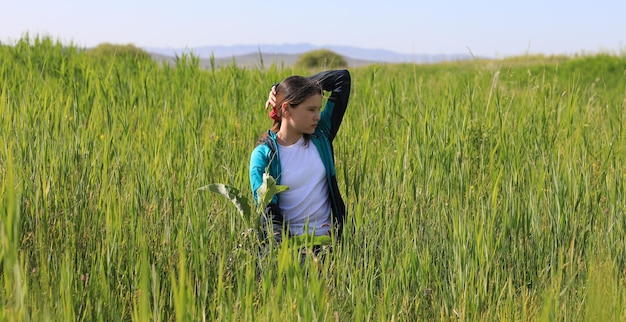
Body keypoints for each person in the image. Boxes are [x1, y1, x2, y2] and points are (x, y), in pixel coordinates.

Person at [249, 69, 351, 252]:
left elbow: (341, 79)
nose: (317, 116)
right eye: (311, 109)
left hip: (329, 246)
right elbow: (268, 214)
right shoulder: (264, 155)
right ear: (286, 108)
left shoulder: (321, 136)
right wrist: (291, 254)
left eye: (319, 109)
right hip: (288, 248)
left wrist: (280, 87)